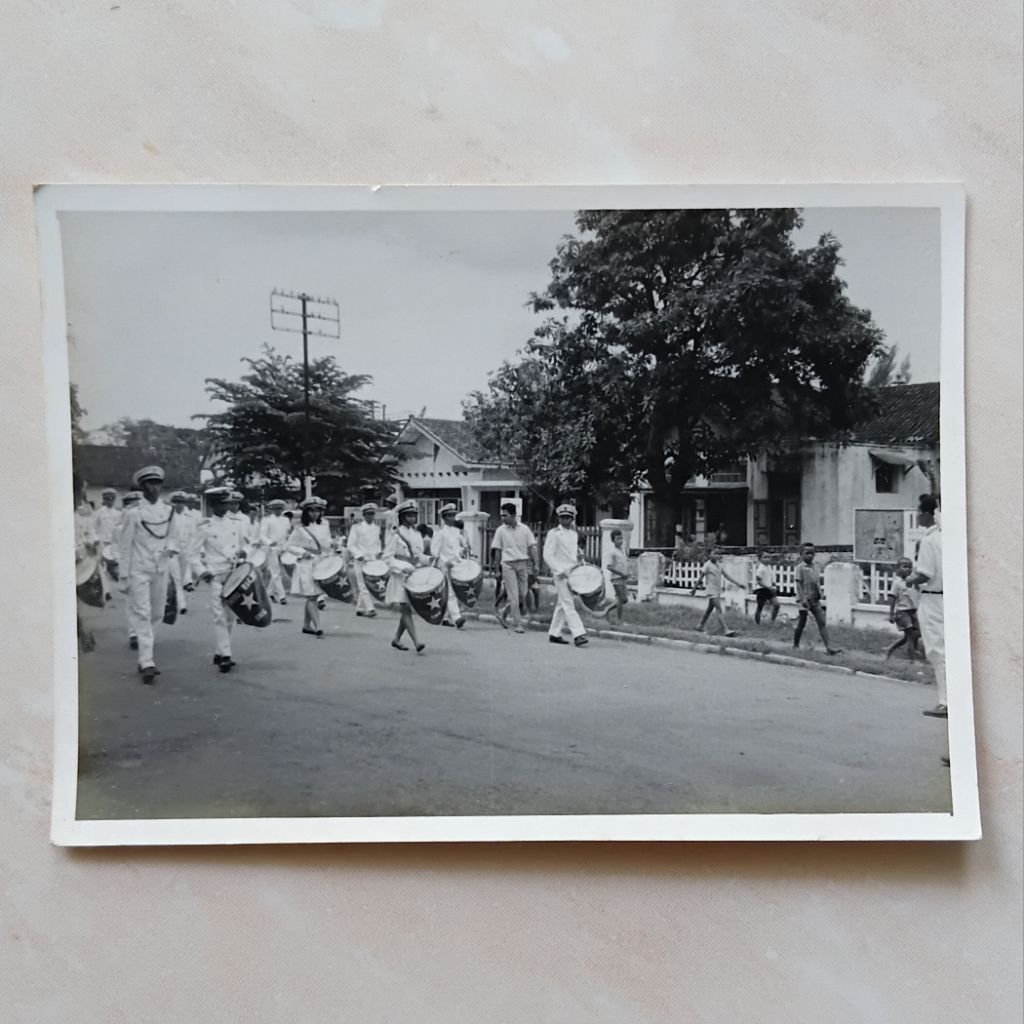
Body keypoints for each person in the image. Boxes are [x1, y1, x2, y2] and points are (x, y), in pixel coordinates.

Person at [117, 466, 179, 684]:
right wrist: (123, 576)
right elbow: (125, 546)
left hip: (160, 568)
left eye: (157, 483)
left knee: (157, 614)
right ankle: (147, 661)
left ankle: (146, 653)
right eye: (149, 484)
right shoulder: (133, 513)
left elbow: (173, 537)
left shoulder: (169, 511)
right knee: (142, 613)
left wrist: (171, 549)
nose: (154, 488)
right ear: (142, 487)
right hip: (139, 569)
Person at [191, 487, 248, 673]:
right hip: (215, 574)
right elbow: (191, 553)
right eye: (221, 504)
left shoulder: (236, 524)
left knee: (231, 617)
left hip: (232, 574)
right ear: (212, 505)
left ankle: (220, 650)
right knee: (219, 616)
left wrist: (242, 553)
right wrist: (202, 571)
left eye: (226, 503)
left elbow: (242, 546)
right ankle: (226, 655)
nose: (225, 507)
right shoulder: (205, 527)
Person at [906, 494, 945, 717]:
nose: (918, 515)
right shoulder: (941, 537)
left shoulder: (929, 541)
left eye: (920, 511)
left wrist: (909, 579)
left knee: (936, 650)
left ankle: (945, 701)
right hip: (943, 597)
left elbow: (924, 575)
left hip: (932, 597)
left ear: (929, 514)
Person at [384, 499, 429, 653]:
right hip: (400, 577)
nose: (412, 519)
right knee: (406, 609)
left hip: (414, 576)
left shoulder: (416, 534)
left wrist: (430, 560)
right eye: (408, 515)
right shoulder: (394, 534)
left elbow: (418, 556)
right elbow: (387, 558)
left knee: (407, 610)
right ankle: (417, 642)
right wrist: (402, 567)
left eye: (414, 515)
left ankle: (396, 639)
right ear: (402, 517)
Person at [285, 497, 332, 636]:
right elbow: (290, 546)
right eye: (311, 511)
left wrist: (332, 545)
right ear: (306, 512)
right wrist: (302, 552)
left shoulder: (324, 525)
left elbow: (326, 542)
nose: (315, 514)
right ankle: (318, 626)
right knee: (311, 595)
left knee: (314, 594)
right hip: (306, 563)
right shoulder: (299, 528)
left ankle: (306, 625)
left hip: (320, 561)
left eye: (318, 511)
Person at [490, 502, 539, 635]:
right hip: (508, 565)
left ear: (513, 515)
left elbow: (532, 548)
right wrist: (496, 569)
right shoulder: (500, 531)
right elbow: (498, 551)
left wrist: (536, 564)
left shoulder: (524, 529)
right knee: (513, 595)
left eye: (505, 515)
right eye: (501, 515)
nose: (502, 518)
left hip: (523, 564)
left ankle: (502, 612)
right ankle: (518, 623)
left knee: (523, 593)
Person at [544, 504, 588, 647]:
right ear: (559, 518)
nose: (565, 520)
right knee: (568, 603)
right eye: (562, 517)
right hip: (561, 574)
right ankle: (579, 634)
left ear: (572, 518)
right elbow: (548, 555)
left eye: (568, 517)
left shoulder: (574, 534)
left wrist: (580, 562)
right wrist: (558, 570)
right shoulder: (554, 533)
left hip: (573, 572)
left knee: (562, 604)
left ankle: (554, 633)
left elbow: (573, 555)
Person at [793, 542, 842, 656]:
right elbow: (799, 584)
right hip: (803, 599)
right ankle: (795, 644)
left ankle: (829, 647)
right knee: (802, 622)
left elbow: (816, 582)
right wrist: (803, 598)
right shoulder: (800, 568)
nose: (810, 555)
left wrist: (820, 593)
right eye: (807, 553)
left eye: (812, 553)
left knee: (822, 622)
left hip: (814, 598)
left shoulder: (816, 566)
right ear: (801, 554)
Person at [432, 503, 469, 628]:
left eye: (454, 515)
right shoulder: (440, 533)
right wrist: (445, 561)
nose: (453, 518)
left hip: (456, 564)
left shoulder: (456, 531)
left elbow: (457, 548)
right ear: (444, 517)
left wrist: (462, 552)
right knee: (451, 591)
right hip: (446, 565)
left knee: (454, 590)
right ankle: (457, 618)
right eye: (450, 516)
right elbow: (434, 551)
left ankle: (445, 617)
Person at [693, 548, 745, 637]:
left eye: (718, 554)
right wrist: (694, 588)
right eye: (714, 553)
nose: (716, 555)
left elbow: (727, 576)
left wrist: (738, 583)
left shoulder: (719, 565)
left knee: (709, 609)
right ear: (710, 555)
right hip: (711, 590)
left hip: (717, 590)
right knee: (719, 609)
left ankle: (700, 625)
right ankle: (725, 630)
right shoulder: (707, 565)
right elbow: (701, 577)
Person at [346, 502, 382, 618]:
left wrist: (378, 553)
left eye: (372, 514)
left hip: (372, 560)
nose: (371, 516)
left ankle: (360, 608)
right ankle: (370, 608)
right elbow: (350, 544)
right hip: (361, 560)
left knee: (367, 583)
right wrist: (358, 554)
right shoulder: (357, 528)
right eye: (368, 514)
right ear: (364, 515)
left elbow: (377, 544)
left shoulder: (376, 528)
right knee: (362, 584)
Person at [885, 556, 922, 662]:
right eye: (905, 567)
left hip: (913, 611)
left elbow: (916, 595)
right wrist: (891, 614)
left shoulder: (912, 581)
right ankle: (912, 660)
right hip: (903, 613)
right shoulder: (897, 583)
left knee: (917, 633)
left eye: (910, 567)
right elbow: (892, 598)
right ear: (898, 569)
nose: (908, 569)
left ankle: (890, 648)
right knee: (910, 636)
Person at [166, 491, 196, 615]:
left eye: (182, 502)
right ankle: (182, 604)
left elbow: (193, 535)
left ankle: (174, 600)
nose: (180, 505)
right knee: (177, 578)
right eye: (177, 502)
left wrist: (193, 551)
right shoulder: (169, 517)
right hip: (172, 551)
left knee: (182, 577)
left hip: (185, 551)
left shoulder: (189, 517)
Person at [92, 487, 122, 602]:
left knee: (115, 566)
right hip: (102, 543)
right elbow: (93, 528)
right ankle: (106, 592)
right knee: (102, 568)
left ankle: (120, 586)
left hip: (114, 544)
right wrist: (96, 540)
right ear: (104, 499)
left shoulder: (118, 513)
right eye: (108, 499)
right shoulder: (99, 513)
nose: (110, 501)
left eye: (112, 499)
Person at [259, 498, 291, 605]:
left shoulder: (286, 520)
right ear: (271, 509)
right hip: (272, 548)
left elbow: (287, 535)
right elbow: (262, 535)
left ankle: (270, 592)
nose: (278, 511)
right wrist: (269, 542)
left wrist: (286, 545)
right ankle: (282, 596)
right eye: (275, 509)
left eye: (280, 509)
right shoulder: (267, 520)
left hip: (283, 547)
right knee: (276, 572)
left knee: (278, 571)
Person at [600, 528, 630, 625]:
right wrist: (621, 573)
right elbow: (609, 566)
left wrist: (626, 573)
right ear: (613, 540)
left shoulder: (623, 551)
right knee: (621, 599)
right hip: (616, 578)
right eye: (618, 539)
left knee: (624, 599)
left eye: (621, 538)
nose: (620, 541)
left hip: (623, 578)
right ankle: (619, 620)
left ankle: (607, 609)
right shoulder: (612, 552)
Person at [753, 550, 781, 625]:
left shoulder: (768, 567)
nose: (767, 559)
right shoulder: (761, 568)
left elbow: (770, 578)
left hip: (769, 589)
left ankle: (772, 621)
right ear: (760, 559)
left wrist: (773, 585)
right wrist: (767, 587)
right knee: (760, 607)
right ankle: (757, 624)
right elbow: (759, 581)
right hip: (762, 589)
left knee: (777, 605)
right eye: (765, 557)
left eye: (769, 557)